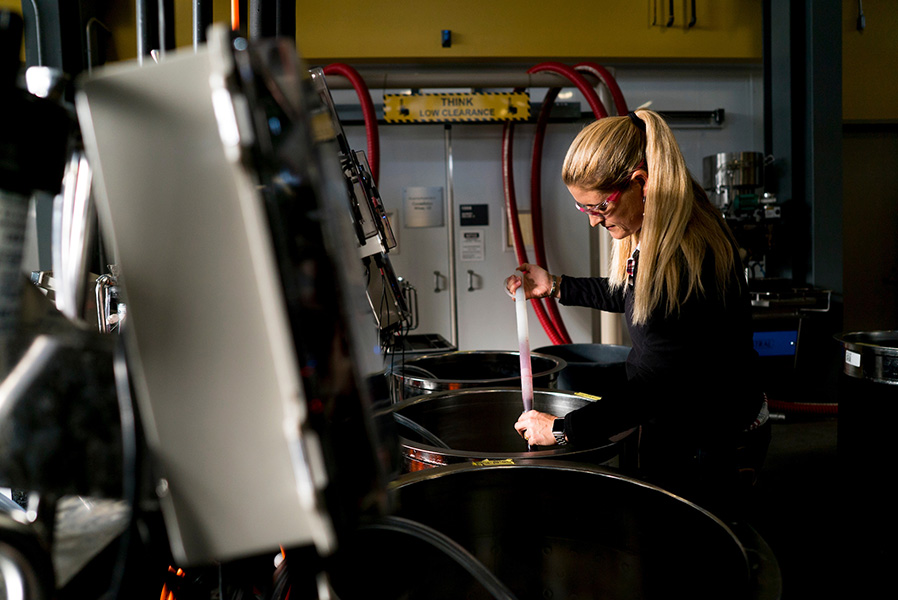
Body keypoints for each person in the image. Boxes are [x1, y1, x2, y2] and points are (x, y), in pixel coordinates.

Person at [505, 109, 769, 520]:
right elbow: (634, 296)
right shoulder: (662, 223)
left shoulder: (682, 256)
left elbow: (655, 386)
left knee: (699, 558)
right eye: (583, 209)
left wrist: (560, 430)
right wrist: (555, 285)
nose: (593, 221)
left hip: (712, 440)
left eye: (598, 207)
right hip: (686, 421)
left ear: (640, 183)